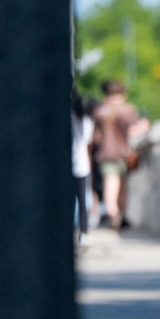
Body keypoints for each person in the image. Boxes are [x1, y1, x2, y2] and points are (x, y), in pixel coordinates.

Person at [92, 80, 148, 229]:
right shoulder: (128, 109)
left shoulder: (100, 111)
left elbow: (95, 137)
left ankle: (113, 216)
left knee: (110, 188)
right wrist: (144, 125)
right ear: (123, 93)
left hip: (106, 155)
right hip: (124, 155)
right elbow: (133, 131)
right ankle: (119, 217)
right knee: (123, 189)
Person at [71, 93, 95, 241]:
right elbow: (88, 142)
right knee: (81, 201)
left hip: (73, 164)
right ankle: (84, 233)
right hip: (81, 165)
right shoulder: (87, 122)